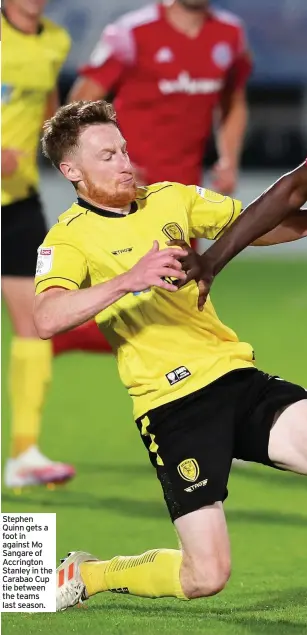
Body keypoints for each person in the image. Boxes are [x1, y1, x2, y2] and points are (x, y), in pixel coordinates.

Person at [32, 100, 306, 610]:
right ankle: (90, 574)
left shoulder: (170, 199)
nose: (123, 162)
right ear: (71, 170)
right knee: (206, 576)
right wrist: (127, 281)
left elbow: (260, 222)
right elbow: (45, 319)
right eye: (107, 154)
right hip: (173, 407)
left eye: (124, 150)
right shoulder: (68, 238)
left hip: (235, 377)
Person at [1, 0, 78, 487]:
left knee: (35, 322)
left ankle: (24, 453)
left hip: (17, 201)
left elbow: (49, 108)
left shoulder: (54, 41)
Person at [69, 0, 252, 194]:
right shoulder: (131, 31)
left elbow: (233, 102)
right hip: (128, 188)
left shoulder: (230, 33)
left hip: (188, 189)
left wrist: (229, 162)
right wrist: (103, 165)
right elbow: (80, 102)